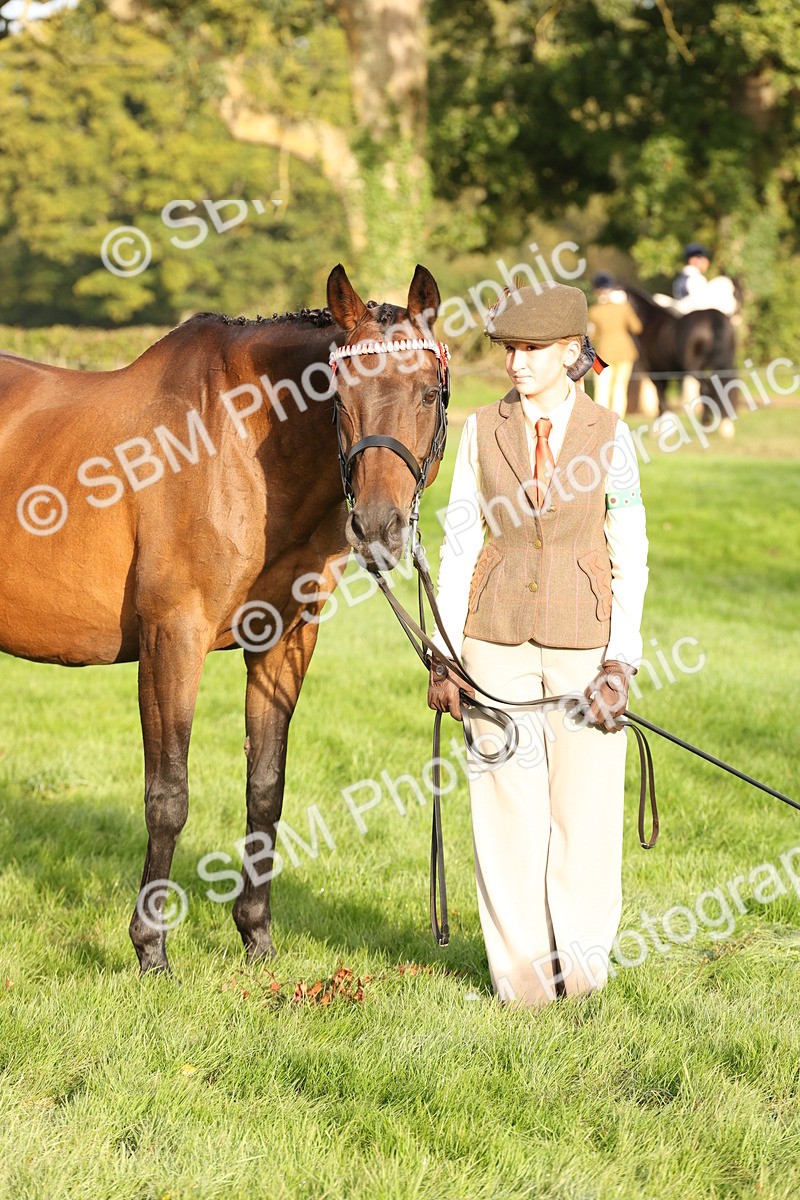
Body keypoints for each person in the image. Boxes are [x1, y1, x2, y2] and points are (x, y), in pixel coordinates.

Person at [427, 282, 649, 1007]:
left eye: (531, 351)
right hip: (493, 644)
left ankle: (581, 980)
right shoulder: (480, 431)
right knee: (505, 819)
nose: (516, 364)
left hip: (586, 645)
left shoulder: (610, 435)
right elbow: (460, 537)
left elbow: (631, 552)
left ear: (569, 354)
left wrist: (621, 660)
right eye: (509, 350)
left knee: (583, 818)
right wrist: (444, 653)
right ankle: (520, 985)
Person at [587, 271, 642, 417]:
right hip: (625, 351)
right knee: (620, 387)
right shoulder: (623, 307)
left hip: (602, 353)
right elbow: (637, 327)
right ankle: (618, 418)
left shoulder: (594, 311)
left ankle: (601, 418)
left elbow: (591, 335)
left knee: (602, 388)